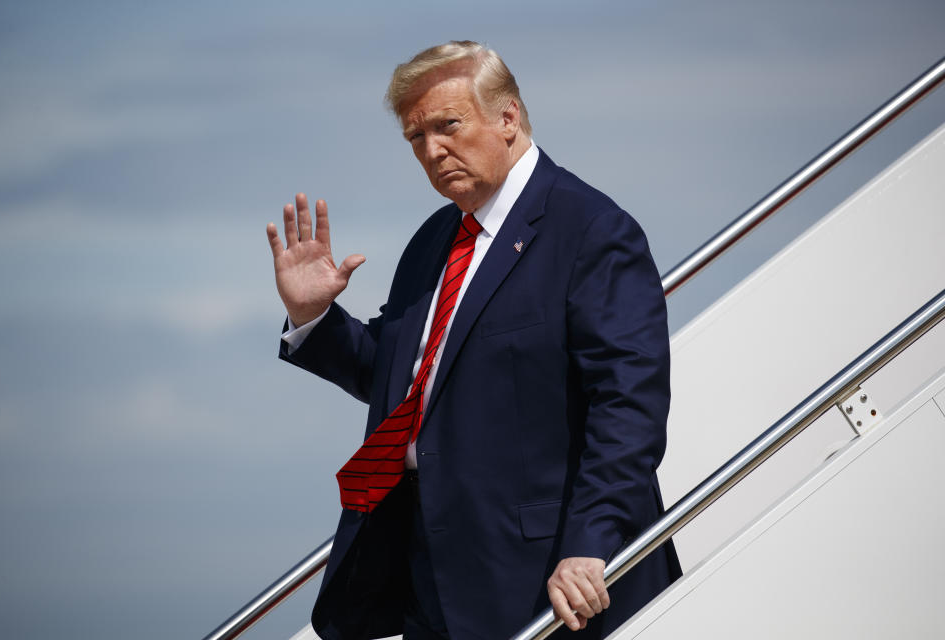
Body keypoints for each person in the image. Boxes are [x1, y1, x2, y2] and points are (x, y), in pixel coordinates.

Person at [266, 41, 681, 640]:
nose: (432, 151)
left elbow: (628, 404)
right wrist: (313, 316)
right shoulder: (434, 239)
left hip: (545, 578)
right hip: (430, 574)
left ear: (507, 118)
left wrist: (592, 545)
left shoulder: (591, 230)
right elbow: (402, 382)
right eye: (416, 138)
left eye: (447, 125)